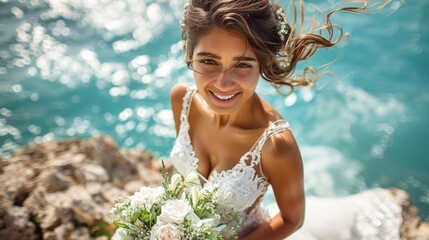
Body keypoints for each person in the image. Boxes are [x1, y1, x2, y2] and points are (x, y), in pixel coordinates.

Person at [169, 0, 402, 239]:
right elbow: (179, 174)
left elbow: (292, 219)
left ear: (262, 63)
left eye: (242, 65)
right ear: (189, 53)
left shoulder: (276, 145)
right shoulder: (182, 99)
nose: (222, 83)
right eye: (209, 61)